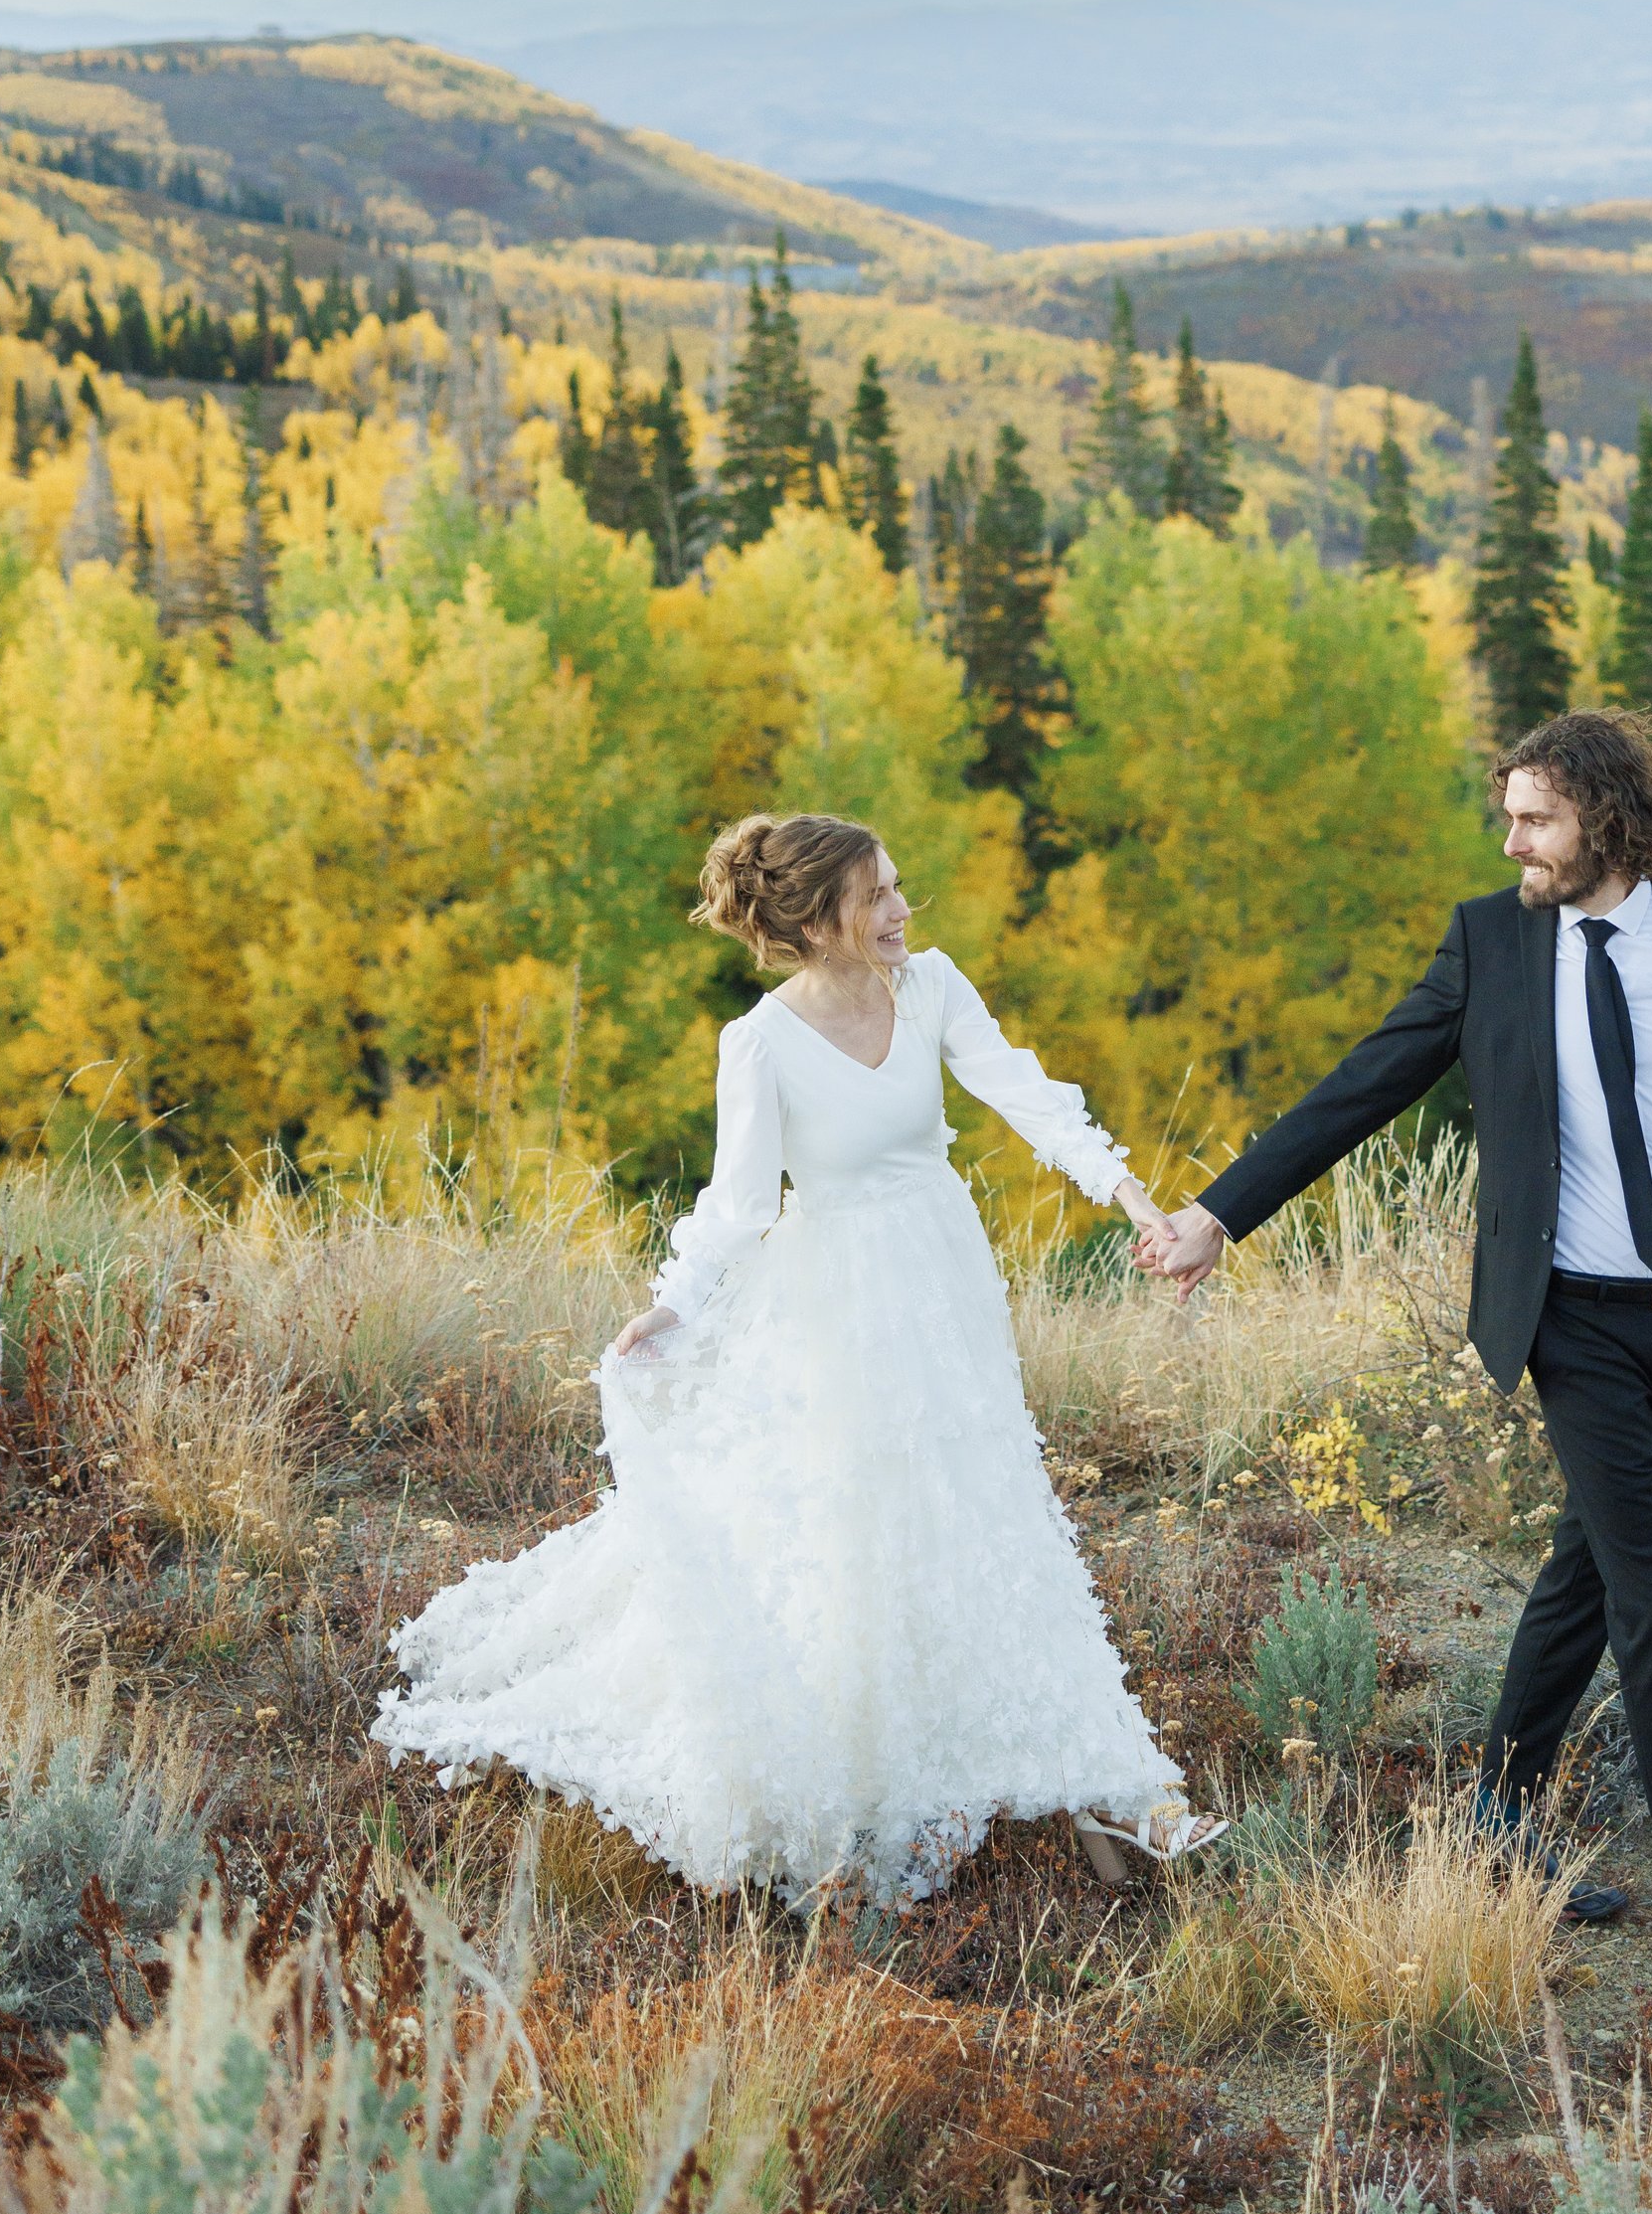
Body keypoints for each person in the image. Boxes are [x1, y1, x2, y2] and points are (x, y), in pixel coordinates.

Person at [376, 812, 1224, 1904]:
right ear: (817, 917)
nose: (900, 911)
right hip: (837, 1303)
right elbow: (736, 1205)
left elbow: (1026, 1095)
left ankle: (1108, 1768)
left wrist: (1135, 1200)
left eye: (899, 888)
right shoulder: (761, 1042)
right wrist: (669, 1306)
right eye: (875, 898)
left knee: (982, 1505)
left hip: (943, 1284)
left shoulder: (931, 984)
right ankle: (867, 1771)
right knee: (856, 1526)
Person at [1145, 708, 1652, 1952]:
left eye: (1535, 818)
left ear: (1605, 817)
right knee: (1650, 1586)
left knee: (1589, 1569)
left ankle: (1496, 1813)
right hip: (1571, 1323)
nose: (1514, 844)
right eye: (1509, 817)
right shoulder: (1492, 943)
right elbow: (1364, 1082)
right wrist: (1219, 1213)